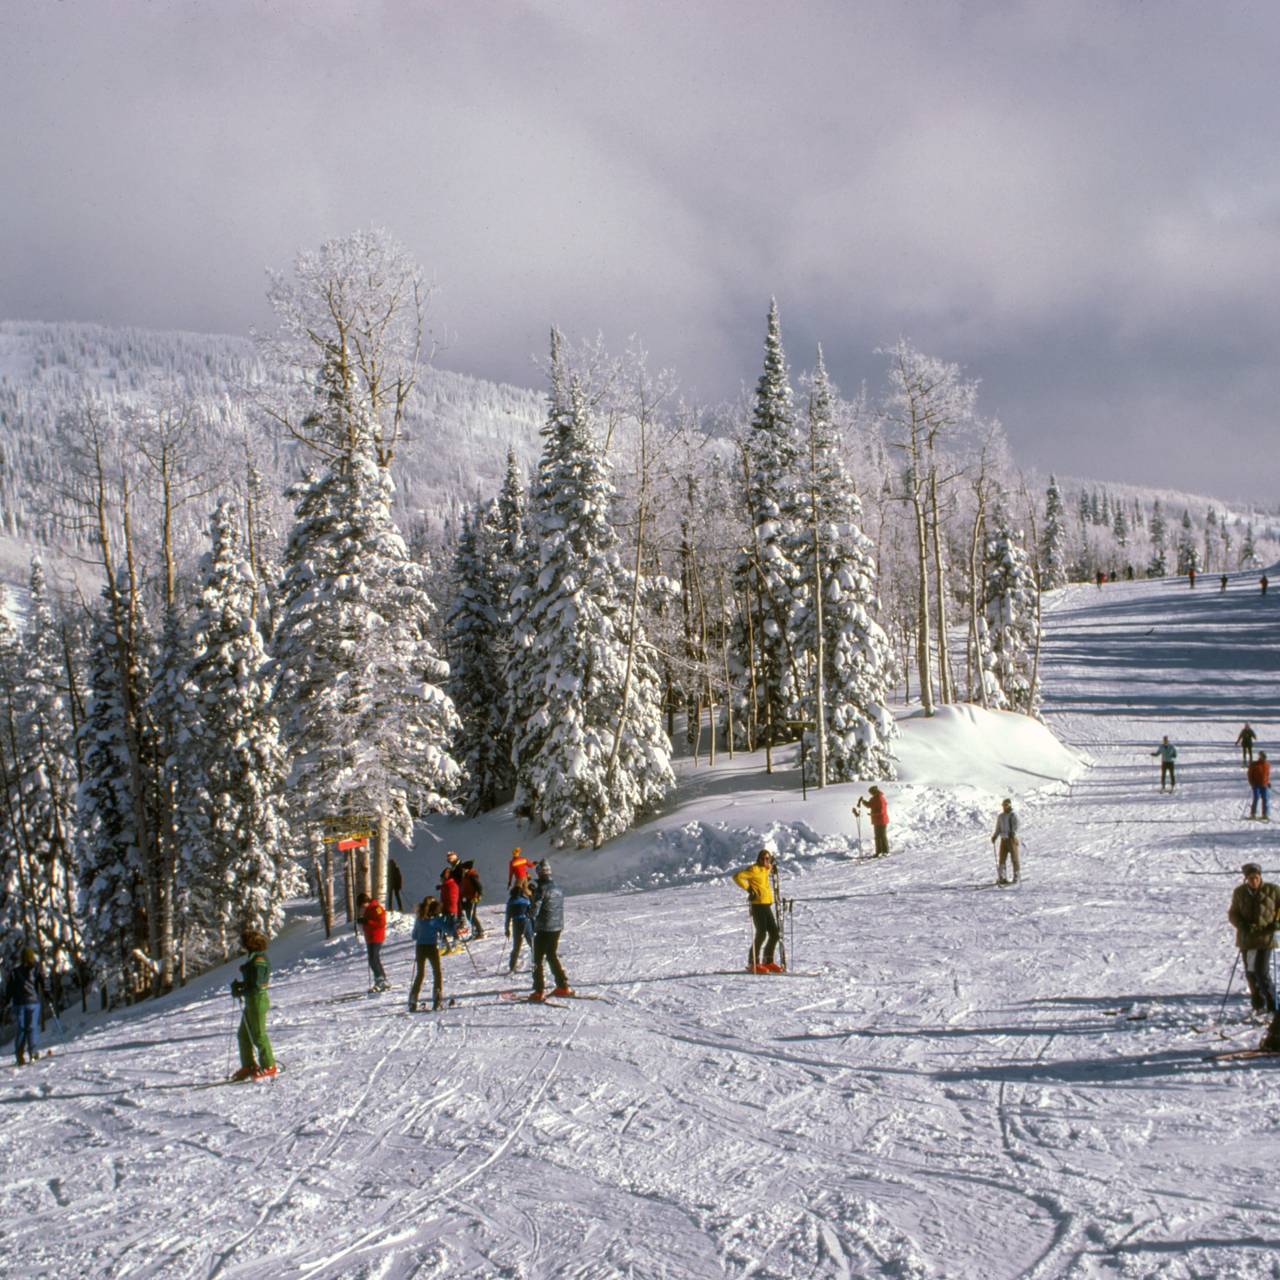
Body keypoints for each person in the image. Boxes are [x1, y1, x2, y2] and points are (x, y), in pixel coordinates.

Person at [1228, 863, 1278, 1019]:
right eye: (1250, 878)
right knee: (1251, 974)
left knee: (1261, 972)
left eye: (1256, 877)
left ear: (1260, 876)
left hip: (1265, 938)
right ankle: (1258, 1006)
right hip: (1247, 940)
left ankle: (1273, 1008)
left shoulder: (1273, 890)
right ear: (1246, 878)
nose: (1254, 881)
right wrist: (1242, 925)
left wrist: (1276, 924)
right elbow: (1233, 913)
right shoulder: (1239, 892)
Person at [231, 927, 278, 1080]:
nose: (242, 945)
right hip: (252, 1001)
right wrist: (241, 985)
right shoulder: (253, 957)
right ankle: (249, 1065)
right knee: (243, 1035)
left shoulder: (259, 960)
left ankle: (269, 1065)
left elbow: (257, 985)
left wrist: (242, 990)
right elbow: (252, 982)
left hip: (257, 1000)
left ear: (251, 943)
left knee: (258, 1035)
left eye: (244, 942)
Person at [732, 849, 781, 973]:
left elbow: (770, 867)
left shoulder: (766, 868)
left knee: (775, 933)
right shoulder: (753, 870)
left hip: (766, 904)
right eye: (764, 858)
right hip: (757, 905)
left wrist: (772, 864)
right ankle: (753, 963)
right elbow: (737, 877)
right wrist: (749, 889)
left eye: (768, 858)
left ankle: (768, 961)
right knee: (761, 933)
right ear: (759, 859)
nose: (766, 861)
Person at [529, 861, 572, 1000]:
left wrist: (528, 913)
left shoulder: (541, 889)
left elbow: (535, 909)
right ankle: (562, 985)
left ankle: (538, 990)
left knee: (537, 958)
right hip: (557, 926)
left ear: (540, 873)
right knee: (551, 955)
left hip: (544, 927)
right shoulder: (558, 888)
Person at [408, 896, 455, 1012]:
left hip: (420, 948)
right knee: (437, 972)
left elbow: (414, 936)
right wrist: (453, 922)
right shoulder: (435, 920)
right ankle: (437, 998)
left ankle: (413, 999)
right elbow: (450, 931)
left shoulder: (419, 919)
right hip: (431, 947)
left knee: (420, 974)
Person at [5, 946, 47, 1066]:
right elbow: (43, 982)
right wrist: (47, 993)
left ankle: (19, 1055)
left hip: (18, 1003)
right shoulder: (36, 969)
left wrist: (7, 1000)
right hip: (33, 1002)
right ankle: (32, 1053)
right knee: (32, 1028)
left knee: (21, 1029)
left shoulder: (15, 971)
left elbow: (10, 988)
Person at [357, 892, 390, 991]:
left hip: (376, 936)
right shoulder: (368, 909)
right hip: (369, 937)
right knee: (373, 959)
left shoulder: (377, 908)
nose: (362, 907)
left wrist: (367, 922)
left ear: (366, 902)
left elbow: (381, 923)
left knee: (373, 959)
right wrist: (362, 921)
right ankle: (381, 979)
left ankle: (380, 979)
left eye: (363, 905)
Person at [505, 877, 535, 974]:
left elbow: (507, 917)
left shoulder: (510, 901)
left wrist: (507, 929)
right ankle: (537, 963)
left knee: (516, 946)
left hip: (516, 924)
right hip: (526, 922)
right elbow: (531, 912)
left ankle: (512, 966)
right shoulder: (525, 900)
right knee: (532, 944)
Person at [854, 785, 890, 857]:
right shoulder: (874, 798)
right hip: (877, 820)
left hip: (882, 820)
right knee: (877, 836)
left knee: (882, 836)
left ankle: (885, 851)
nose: (870, 794)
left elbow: (881, 811)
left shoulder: (880, 798)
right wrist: (863, 801)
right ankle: (879, 851)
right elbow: (869, 805)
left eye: (871, 792)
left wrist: (872, 814)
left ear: (875, 791)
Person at [991, 798, 1020, 884]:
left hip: (1011, 839)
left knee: (1014, 858)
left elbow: (1017, 825)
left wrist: (1013, 832)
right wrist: (995, 836)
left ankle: (1016, 876)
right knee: (1002, 859)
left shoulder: (1013, 815)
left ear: (1010, 805)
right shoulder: (1001, 816)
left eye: (1006, 805)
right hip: (1003, 839)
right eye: (1003, 805)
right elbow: (998, 828)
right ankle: (1002, 877)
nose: (1004, 807)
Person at [459, 860, 486, 938]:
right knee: (469, 915)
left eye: (463, 868)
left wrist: (478, 896)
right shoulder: (467, 875)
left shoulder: (472, 876)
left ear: (467, 868)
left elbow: (479, 887)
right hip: (467, 898)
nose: (462, 870)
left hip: (473, 899)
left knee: (471, 915)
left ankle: (479, 931)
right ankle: (475, 931)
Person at [438, 866, 463, 948]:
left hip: (450, 910)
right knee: (443, 926)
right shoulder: (448, 884)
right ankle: (445, 941)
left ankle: (456, 940)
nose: (441, 880)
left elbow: (451, 897)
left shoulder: (450, 885)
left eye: (442, 879)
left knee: (450, 927)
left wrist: (442, 906)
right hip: (447, 909)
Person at [1248, 752, 1271, 820]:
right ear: (1260, 757)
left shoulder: (1267, 765)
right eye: (1262, 757)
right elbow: (1249, 774)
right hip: (1256, 785)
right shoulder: (1254, 764)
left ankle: (1265, 814)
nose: (1264, 759)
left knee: (1265, 799)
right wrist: (1252, 783)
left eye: (1265, 757)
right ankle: (1253, 814)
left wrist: (1268, 782)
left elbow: (1267, 774)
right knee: (1256, 798)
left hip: (1264, 785)